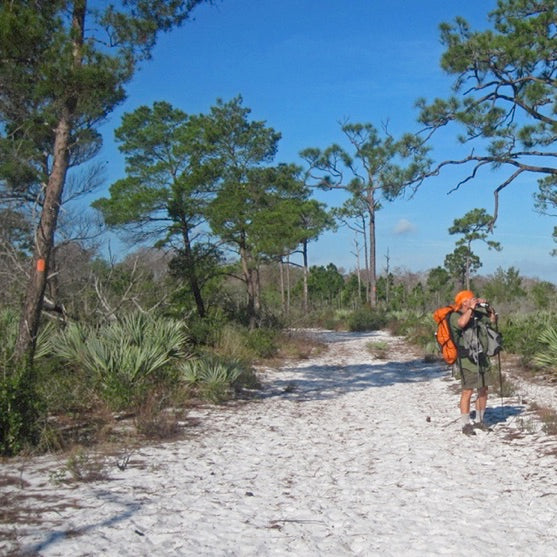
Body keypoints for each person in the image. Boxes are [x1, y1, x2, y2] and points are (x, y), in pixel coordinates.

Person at [450, 290, 498, 436]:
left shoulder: (477, 315)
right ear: (464, 302)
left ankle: (480, 420)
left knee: (483, 389)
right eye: (471, 299)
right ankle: (465, 424)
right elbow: (461, 323)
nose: (474, 301)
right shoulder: (454, 315)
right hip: (466, 359)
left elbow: (492, 320)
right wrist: (471, 309)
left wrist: (488, 308)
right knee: (468, 391)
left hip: (482, 357)